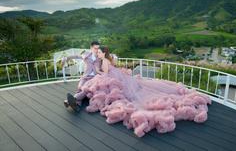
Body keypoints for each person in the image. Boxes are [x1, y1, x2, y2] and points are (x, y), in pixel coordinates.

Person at [80, 46, 211, 137]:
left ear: (103, 53)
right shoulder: (108, 59)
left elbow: (106, 72)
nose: (98, 54)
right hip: (120, 75)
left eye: (99, 53)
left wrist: (97, 71)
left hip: (115, 76)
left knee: (132, 95)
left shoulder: (104, 61)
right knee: (139, 87)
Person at [62, 41, 101, 111]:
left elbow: (109, 57)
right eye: (95, 48)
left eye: (98, 48)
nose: (97, 50)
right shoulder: (86, 55)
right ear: (91, 48)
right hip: (85, 77)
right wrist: (66, 58)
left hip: (94, 78)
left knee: (86, 89)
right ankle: (76, 105)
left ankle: (71, 101)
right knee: (80, 88)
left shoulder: (100, 57)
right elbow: (76, 56)